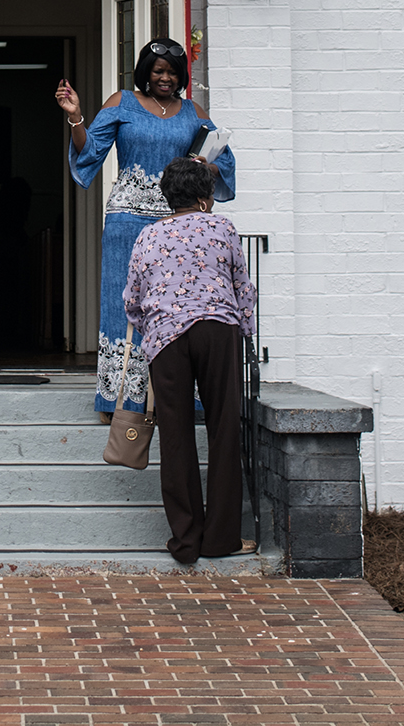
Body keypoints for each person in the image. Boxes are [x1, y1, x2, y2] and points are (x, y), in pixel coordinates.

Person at [56, 37, 235, 418]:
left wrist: (207, 167)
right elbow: (89, 153)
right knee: (122, 306)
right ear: (145, 73)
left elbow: (224, 162)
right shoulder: (122, 103)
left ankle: (179, 398)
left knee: (179, 307)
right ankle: (120, 400)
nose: (165, 78)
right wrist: (75, 117)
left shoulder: (193, 112)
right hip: (126, 221)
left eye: (172, 72)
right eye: (158, 71)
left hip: (179, 226)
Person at [123, 154, 257, 565]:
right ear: (203, 198)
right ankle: (221, 540)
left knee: (176, 436)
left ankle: (185, 542)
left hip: (166, 338)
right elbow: (242, 288)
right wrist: (246, 334)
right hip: (218, 330)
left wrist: (157, 327)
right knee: (222, 431)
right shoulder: (222, 228)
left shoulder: (147, 236)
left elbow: (132, 301)